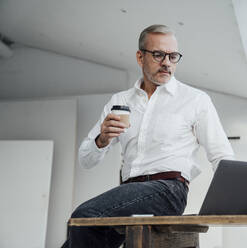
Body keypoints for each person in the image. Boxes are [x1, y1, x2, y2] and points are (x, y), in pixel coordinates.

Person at [62, 24, 234, 248]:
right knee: (74, 240)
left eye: (173, 56)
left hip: (169, 190)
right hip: (128, 192)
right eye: (158, 54)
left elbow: (221, 153)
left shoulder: (195, 100)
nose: (166, 63)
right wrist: (102, 140)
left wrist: (237, 198)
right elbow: (86, 159)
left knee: (84, 217)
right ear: (140, 57)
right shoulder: (120, 102)